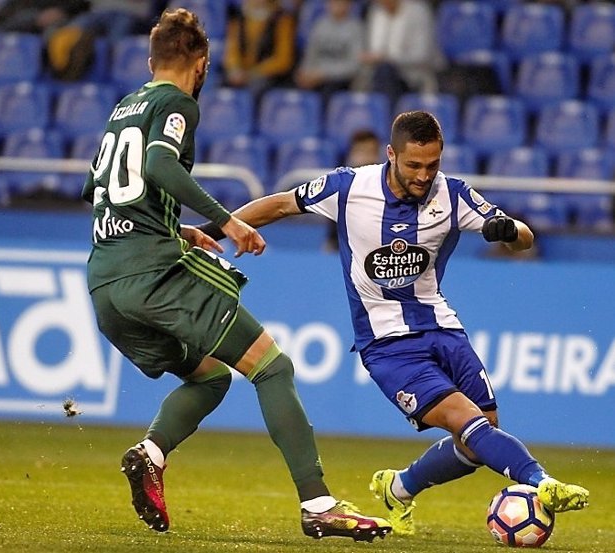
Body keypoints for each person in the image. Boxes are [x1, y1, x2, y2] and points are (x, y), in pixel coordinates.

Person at [197, 110, 590, 536]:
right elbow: (279, 204)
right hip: (386, 344)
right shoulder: (348, 187)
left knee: (481, 439)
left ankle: (399, 488)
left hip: (442, 327)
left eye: (433, 165)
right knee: (467, 420)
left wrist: (508, 230)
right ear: (391, 155)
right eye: (413, 165)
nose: (424, 175)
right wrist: (208, 231)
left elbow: (525, 236)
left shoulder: (453, 195)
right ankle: (543, 484)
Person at [81, 8, 390, 542]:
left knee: (210, 377)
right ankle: (318, 505)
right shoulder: (176, 103)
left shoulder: (122, 110)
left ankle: (150, 454)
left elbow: (105, 194)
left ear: (151, 60)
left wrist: (182, 233)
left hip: (106, 281)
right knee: (272, 367)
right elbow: (157, 167)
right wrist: (226, 221)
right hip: (156, 276)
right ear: (200, 64)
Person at [354, 0, 442, 101]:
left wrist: (387, 58)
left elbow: (421, 54)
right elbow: (371, 49)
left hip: (412, 74)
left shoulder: (417, 12)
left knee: (386, 71)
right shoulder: (376, 12)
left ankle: (388, 113)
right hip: (377, 73)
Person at [222, 0, 296, 100]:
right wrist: (235, 69)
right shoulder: (239, 17)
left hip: (270, 75)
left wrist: (253, 73)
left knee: (255, 87)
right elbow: (232, 50)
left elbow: (283, 59)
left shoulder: (282, 19)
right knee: (222, 87)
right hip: (243, 73)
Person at [324, 129, 383, 252]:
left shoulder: (389, 189)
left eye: (371, 152)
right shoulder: (337, 189)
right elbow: (332, 239)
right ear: (352, 154)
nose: (367, 158)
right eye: (362, 152)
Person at [293, 0, 364, 100]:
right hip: (315, 76)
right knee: (298, 90)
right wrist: (306, 72)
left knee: (327, 91)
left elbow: (354, 65)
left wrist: (324, 74)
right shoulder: (320, 25)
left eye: (340, 3)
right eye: (333, 2)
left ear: (349, 6)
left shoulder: (356, 28)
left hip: (339, 79)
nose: (336, 6)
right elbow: (310, 54)